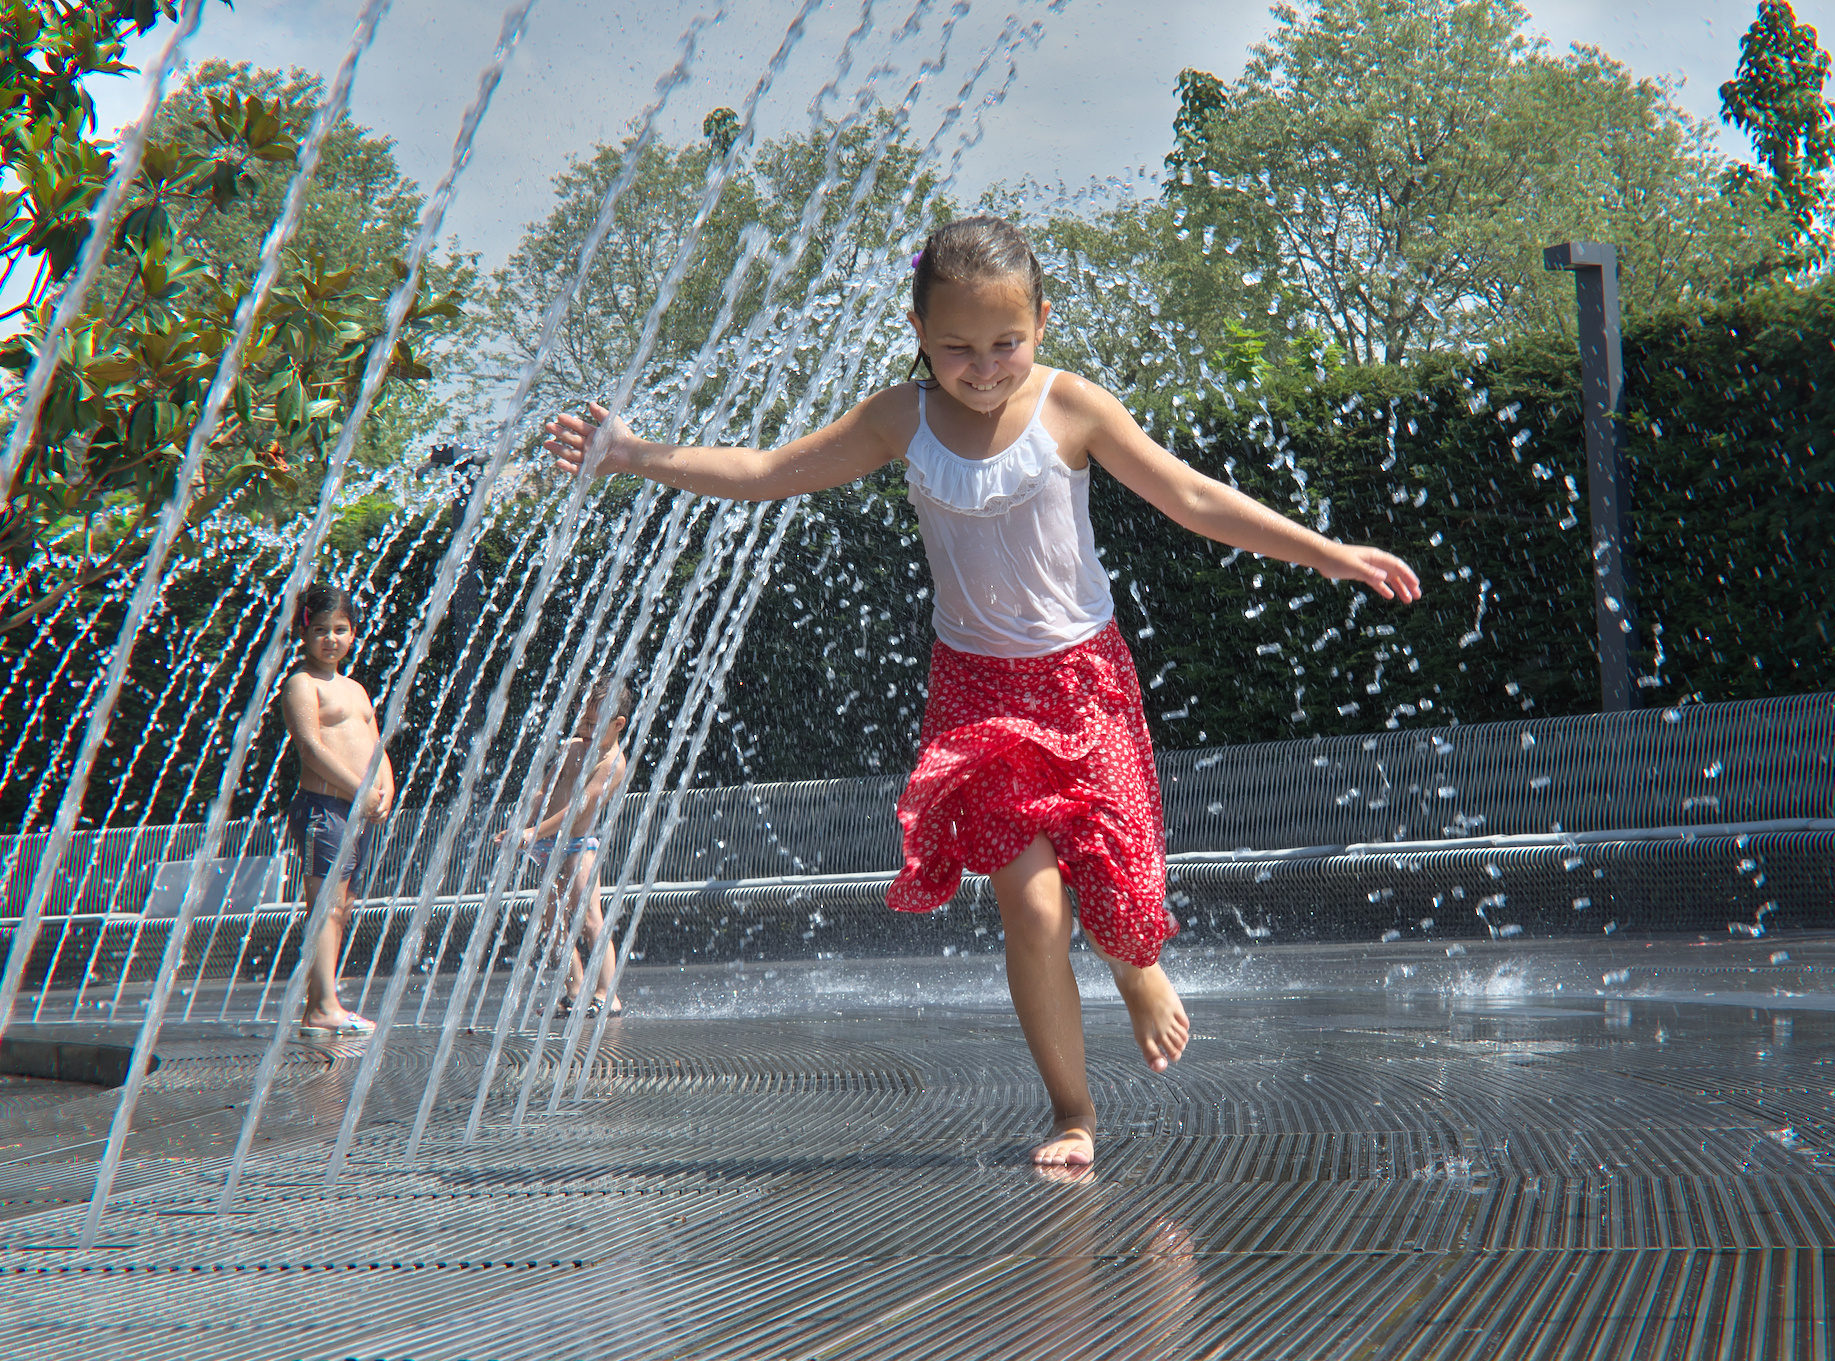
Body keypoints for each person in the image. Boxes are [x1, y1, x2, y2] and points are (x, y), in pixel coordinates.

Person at [542, 215, 1420, 1166]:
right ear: (919, 332)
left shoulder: (1073, 407)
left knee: (1121, 891)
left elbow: (1192, 497)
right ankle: (1074, 1112)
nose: (986, 366)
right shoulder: (899, 419)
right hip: (978, 692)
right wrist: (633, 455)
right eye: (957, 347)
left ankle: (1137, 969)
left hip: (1085, 682)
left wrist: (1325, 554)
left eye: (1007, 342)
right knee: (1034, 908)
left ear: (1042, 322)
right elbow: (764, 474)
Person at [280, 581, 393, 1037]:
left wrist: (386, 785)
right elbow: (310, 747)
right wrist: (359, 789)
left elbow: (375, 742)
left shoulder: (356, 688)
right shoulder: (301, 685)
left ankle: (323, 999)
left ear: (353, 634)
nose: (331, 639)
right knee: (324, 906)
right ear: (303, 635)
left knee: (341, 907)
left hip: (356, 811)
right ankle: (321, 1005)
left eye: (340, 629)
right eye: (321, 630)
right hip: (324, 808)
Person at [498, 677, 631, 1018]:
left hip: (577, 845)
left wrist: (532, 832)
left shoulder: (612, 763)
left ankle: (606, 994)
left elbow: (577, 810)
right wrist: (521, 827)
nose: (585, 729)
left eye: (592, 723)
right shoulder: (573, 747)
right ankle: (574, 990)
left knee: (589, 918)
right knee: (550, 919)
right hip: (546, 844)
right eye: (582, 720)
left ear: (617, 724)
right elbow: (544, 792)